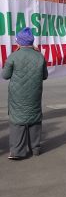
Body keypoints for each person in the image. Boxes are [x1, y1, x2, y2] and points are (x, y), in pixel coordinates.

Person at [2, 27, 48, 160]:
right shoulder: (40, 56)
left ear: (19, 42)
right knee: (34, 118)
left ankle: (18, 151)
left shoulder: (13, 56)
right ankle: (35, 148)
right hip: (35, 93)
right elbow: (44, 76)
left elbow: (5, 75)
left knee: (18, 121)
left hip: (17, 95)